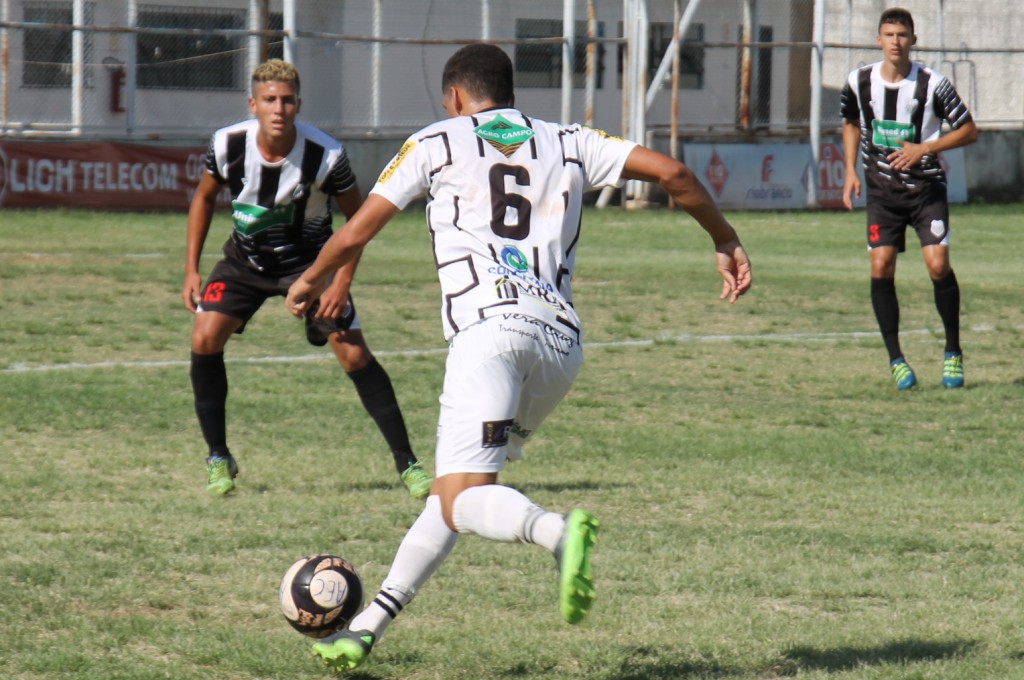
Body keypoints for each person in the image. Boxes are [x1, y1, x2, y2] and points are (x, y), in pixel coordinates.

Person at [285, 43, 751, 673]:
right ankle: (366, 629)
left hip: (489, 334)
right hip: (560, 345)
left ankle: (557, 532)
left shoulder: (436, 140)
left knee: (462, 498)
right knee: (456, 492)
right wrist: (724, 238)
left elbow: (357, 229)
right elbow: (675, 175)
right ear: (510, 93)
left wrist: (311, 279)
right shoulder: (570, 140)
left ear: (454, 96)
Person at [181, 59, 431, 499]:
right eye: (270, 100)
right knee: (204, 338)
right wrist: (191, 269)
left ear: (298, 104)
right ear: (253, 105)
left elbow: (359, 222)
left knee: (353, 354)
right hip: (244, 263)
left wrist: (340, 283)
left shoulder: (326, 155)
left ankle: (408, 463)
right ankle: (218, 456)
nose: (279, 109)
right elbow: (203, 198)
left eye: (287, 100)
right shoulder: (227, 144)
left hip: (312, 268)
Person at [841, 7, 978, 390]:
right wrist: (850, 170)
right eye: (889, 35)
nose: (895, 42)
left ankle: (953, 352)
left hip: (925, 191)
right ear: (879, 40)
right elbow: (850, 122)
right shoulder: (859, 81)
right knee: (881, 265)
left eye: (902, 35)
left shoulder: (933, 84)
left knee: (937, 265)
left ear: (913, 40)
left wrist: (925, 148)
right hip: (882, 194)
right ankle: (897, 360)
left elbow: (969, 131)